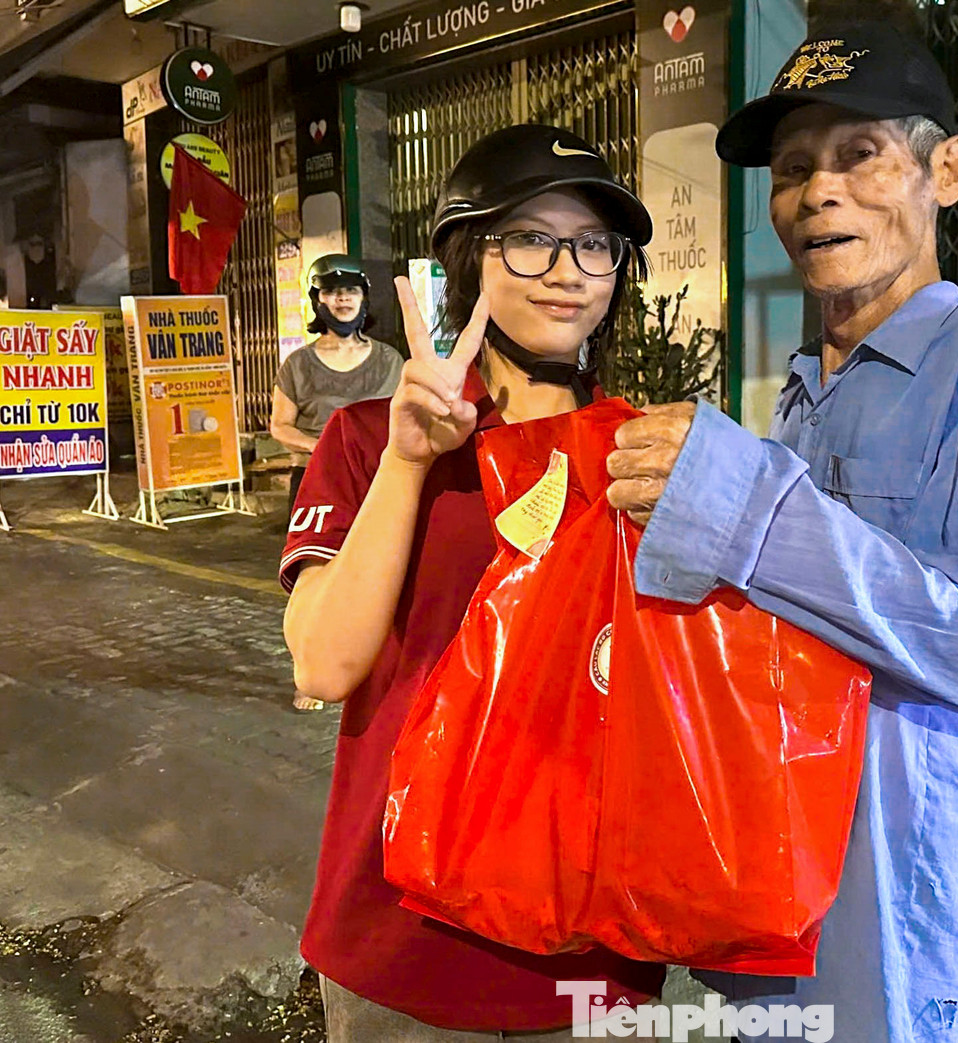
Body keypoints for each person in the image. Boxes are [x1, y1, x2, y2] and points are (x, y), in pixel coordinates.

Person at [605, 9, 958, 1042]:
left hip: (894, 900)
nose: (817, 191)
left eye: (859, 156)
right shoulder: (800, 390)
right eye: (791, 168)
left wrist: (739, 505)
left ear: (942, 171)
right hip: (769, 871)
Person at [279, 125, 663, 1041]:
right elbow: (323, 666)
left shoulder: (648, 453)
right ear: (467, 258)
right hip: (400, 938)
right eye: (530, 237)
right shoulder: (370, 436)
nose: (567, 268)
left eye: (595, 244)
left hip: (592, 946)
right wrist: (409, 465)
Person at [271, 254, 403, 710]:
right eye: (331, 291)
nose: (342, 299)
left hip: (380, 486)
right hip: (318, 486)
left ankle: (375, 663)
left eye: (351, 291)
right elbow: (280, 426)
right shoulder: (299, 365)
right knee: (315, 580)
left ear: (364, 299)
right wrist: (325, 450)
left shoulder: (389, 360)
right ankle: (311, 672)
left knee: (380, 578)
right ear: (318, 300)